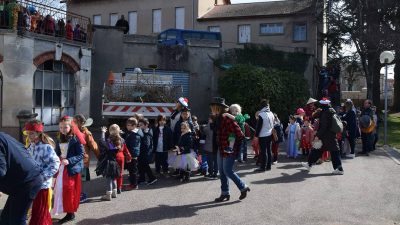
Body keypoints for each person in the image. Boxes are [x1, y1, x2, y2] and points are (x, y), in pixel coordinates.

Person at [210, 97, 249, 202]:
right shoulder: (217, 118)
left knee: (227, 170)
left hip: (229, 150)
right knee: (222, 172)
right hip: (220, 149)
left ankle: (243, 187)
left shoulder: (227, 119)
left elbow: (240, 134)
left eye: (212, 107)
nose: (211, 109)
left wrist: (232, 147)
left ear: (217, 108)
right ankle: (225, 193)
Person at [0, 132, 42, 225]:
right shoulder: (3, 135)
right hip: (20, 182)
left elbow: (1, 170)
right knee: (5, 219)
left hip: (27, 181)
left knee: (17, 220)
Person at [25, 120, 60, 225]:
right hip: (33, 183)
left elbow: (55, 163)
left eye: (31, 133)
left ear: (39, 133)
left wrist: (42, 177)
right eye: (28, 133)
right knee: (35, 211)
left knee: (41, 212)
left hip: (42, 185)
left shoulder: (46, 147)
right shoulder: (31, 146)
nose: (29, 135)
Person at [52, 116, 84, 224]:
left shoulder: (75, 139)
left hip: (71, 169)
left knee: (69, 191)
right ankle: (67, 211)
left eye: (65, 127)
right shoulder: (59, 137)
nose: (63, 129)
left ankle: (70, 214)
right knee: (61, 190)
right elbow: (57, 153)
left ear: (71, 126)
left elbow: (81, 154)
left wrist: (69, 160)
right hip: (62, 168)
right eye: (61, 127)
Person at [302, 98, 344, 175]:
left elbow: (324, 127)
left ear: (323, 105)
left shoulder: (325, 113)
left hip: (327, 136)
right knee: (318, 150)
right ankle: (309, 164)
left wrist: (318, 135)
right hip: (330, 136)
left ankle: (339, 169)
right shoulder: (331, 111)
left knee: (327, 151)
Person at [96, 124, 131, 200]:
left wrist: (102, 132)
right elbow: (124, 147)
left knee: (109, 178)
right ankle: (115, 192)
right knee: (115, 177)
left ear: (109, 131)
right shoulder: (121, 139)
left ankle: (108, 194)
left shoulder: (109, 141)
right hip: (117, 161)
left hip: (110, 161)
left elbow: (102, 141)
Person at [73, 114, 100, 203]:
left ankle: (82, 194)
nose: (73, 123)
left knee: (82, 180)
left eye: (76, 122)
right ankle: (75, 193)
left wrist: (100, 157)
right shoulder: (72, 132)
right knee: (75, 178)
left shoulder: (87, 133)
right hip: (74, 160)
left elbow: (94, 146)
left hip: (83, 161)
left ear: (82, 123)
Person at [255, 99, 275, 172]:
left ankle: (263, 167)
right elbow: (273, 123)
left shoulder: (261, 115)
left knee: (263, 152)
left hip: (263, 135)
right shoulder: (271, 113)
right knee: (269, 151)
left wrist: (256, 136)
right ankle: (268, 166)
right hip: (270, 134)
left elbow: (259, 127)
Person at [124, 117, 143, 191]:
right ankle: (132, 184)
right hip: (131, 155)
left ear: (134, 126)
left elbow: (132, 146)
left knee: (133, 172)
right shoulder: (132, 132)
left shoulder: (135, 135)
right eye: (127, 125)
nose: (127, 126)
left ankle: (134, 185)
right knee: (131, 171)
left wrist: (130, 156)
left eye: (129, 125)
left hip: (132, 155)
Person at [138, 118, 157, 185]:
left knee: (145, 166)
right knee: (141, 165)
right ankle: (142, 179)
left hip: (145, 153)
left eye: (141, 125)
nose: (140, 126)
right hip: (142, 152)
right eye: (139, 125)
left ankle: (152, 178)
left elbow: (146, 144)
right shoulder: (143, 131)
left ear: (146, 125)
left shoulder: (147, 133)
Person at [202, 115, 218, 179]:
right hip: (216, 147)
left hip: (209, 147)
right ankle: (215, 173)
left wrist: (209, 123)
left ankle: (211, 173)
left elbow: (204, 130)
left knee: (210, 161)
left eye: (209, 119)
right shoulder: (217, 126)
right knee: (216, 161)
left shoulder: (209, 126)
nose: (208, 120)